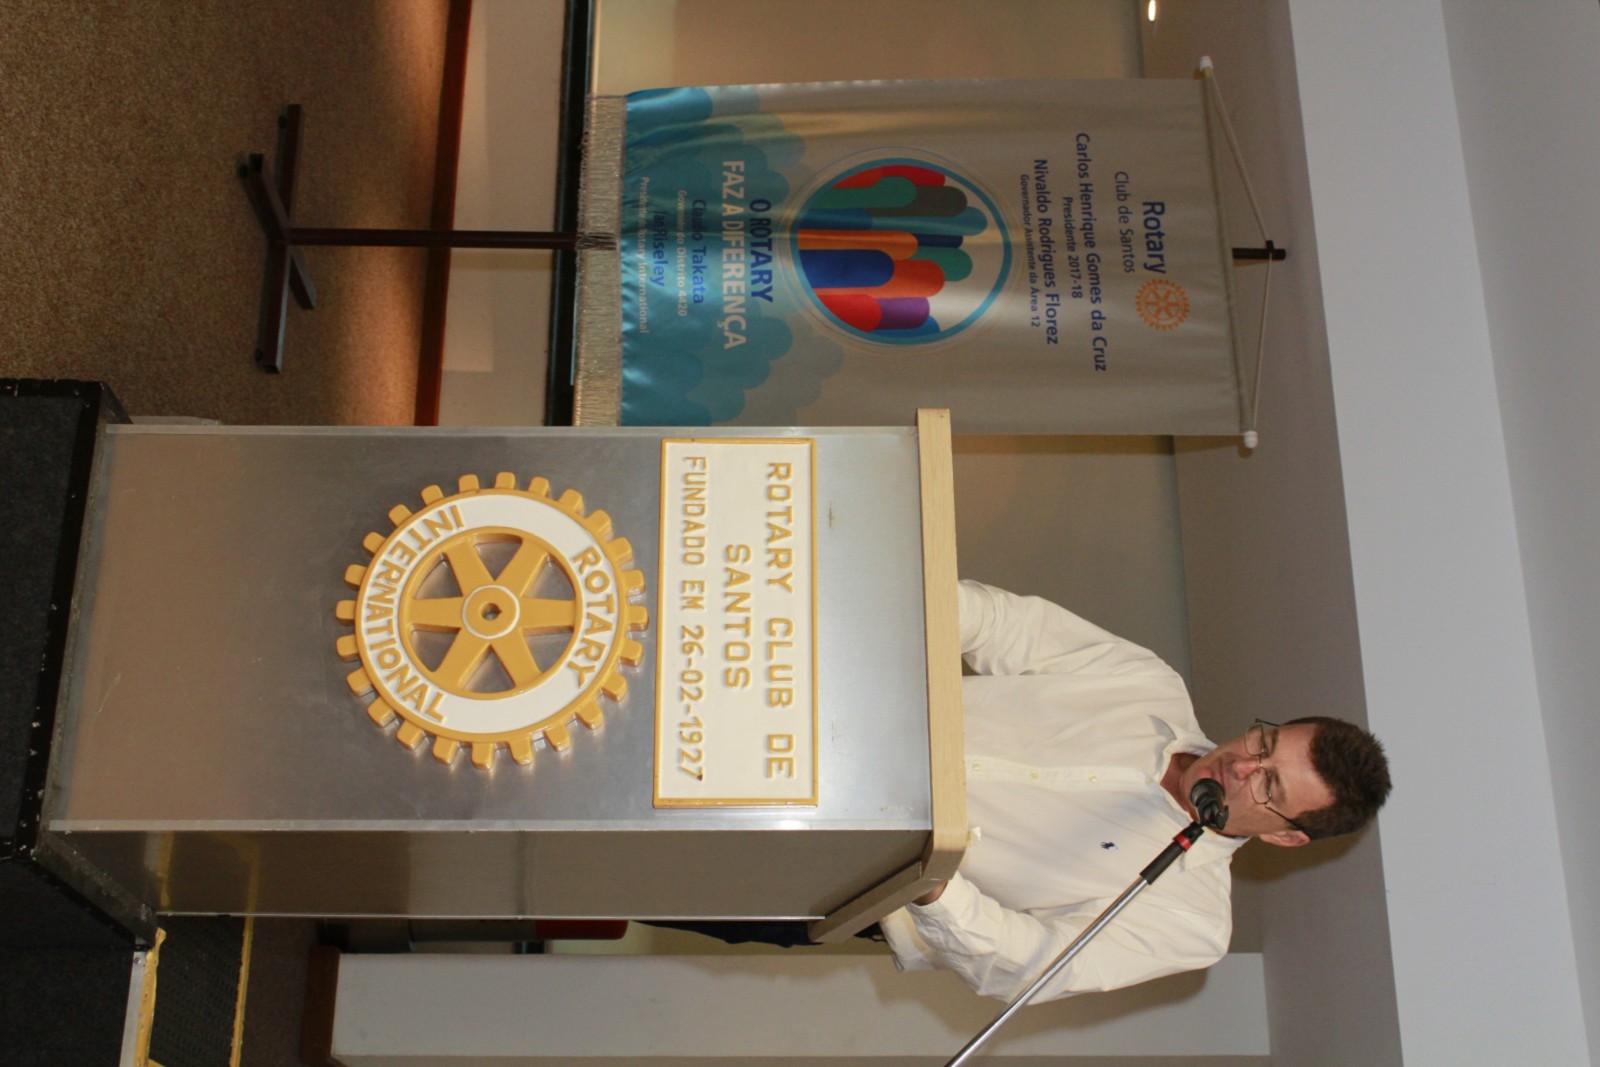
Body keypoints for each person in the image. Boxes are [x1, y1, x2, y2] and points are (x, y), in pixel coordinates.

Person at [879, 580, 1391, 1002]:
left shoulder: (1193, 921)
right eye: (1264, 744)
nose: (1240, 764)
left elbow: (1034, 964)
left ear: (1285, 837)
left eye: (1268, 783)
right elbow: (1002, 624)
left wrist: (933, 878)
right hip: (870, 718)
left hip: (879, 874)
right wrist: (897, 606)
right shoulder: (1148, 684)